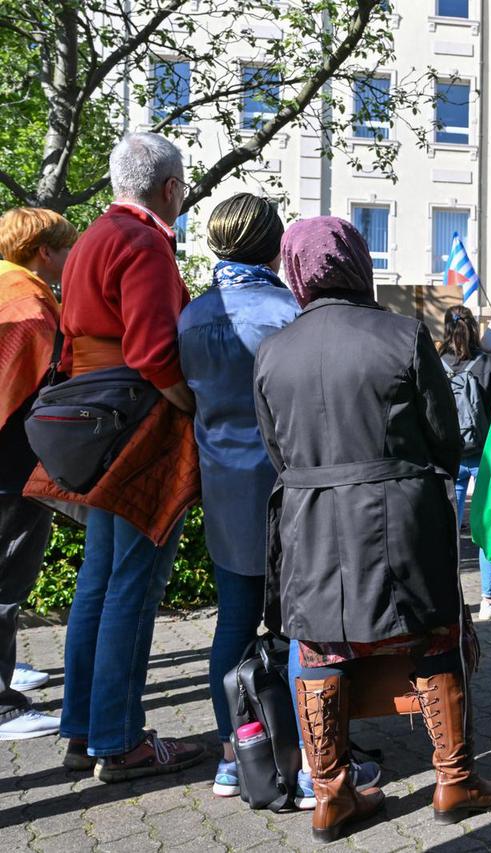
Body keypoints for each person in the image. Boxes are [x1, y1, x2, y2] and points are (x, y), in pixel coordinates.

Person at [253, 216, 491, 842]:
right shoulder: (402, 334)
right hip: (399, 515)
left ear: (296, 270)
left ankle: (330, 795)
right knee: (432, 636)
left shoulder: (272, 350)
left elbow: (277, 451)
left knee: (317, 647)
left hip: (309, 519)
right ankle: (454, 780)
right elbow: (444, 436)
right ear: (357, 263)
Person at [47, 132, 205, 779]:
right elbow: (153, 353)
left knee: (99, 579)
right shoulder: (144, 242)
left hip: (96, 423)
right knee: (134, 585)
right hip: (138, 427)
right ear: (170, 188)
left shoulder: (91, 236)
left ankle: (84, 731)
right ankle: (119, 741)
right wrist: (193, 408)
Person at [177, 194, 306, 795]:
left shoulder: (192, 316)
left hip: (223, 484)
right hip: (285, 484)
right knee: (297, 625)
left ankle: (235, 754)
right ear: (273, 245)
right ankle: (307, 754)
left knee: (232, 620)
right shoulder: (289, 310)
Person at [0, 208, 76, 741]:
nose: (71, 257)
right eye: (67, 248)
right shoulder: (29, 302)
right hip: (11, 468)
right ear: (44, 251)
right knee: (7, 580)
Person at [439, 305, 491, 620]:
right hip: (486, 458)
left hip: (449, 458)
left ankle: (448, 600)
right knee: (487, 529)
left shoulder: (434, 364)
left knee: (447, 532)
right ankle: (489, 600)